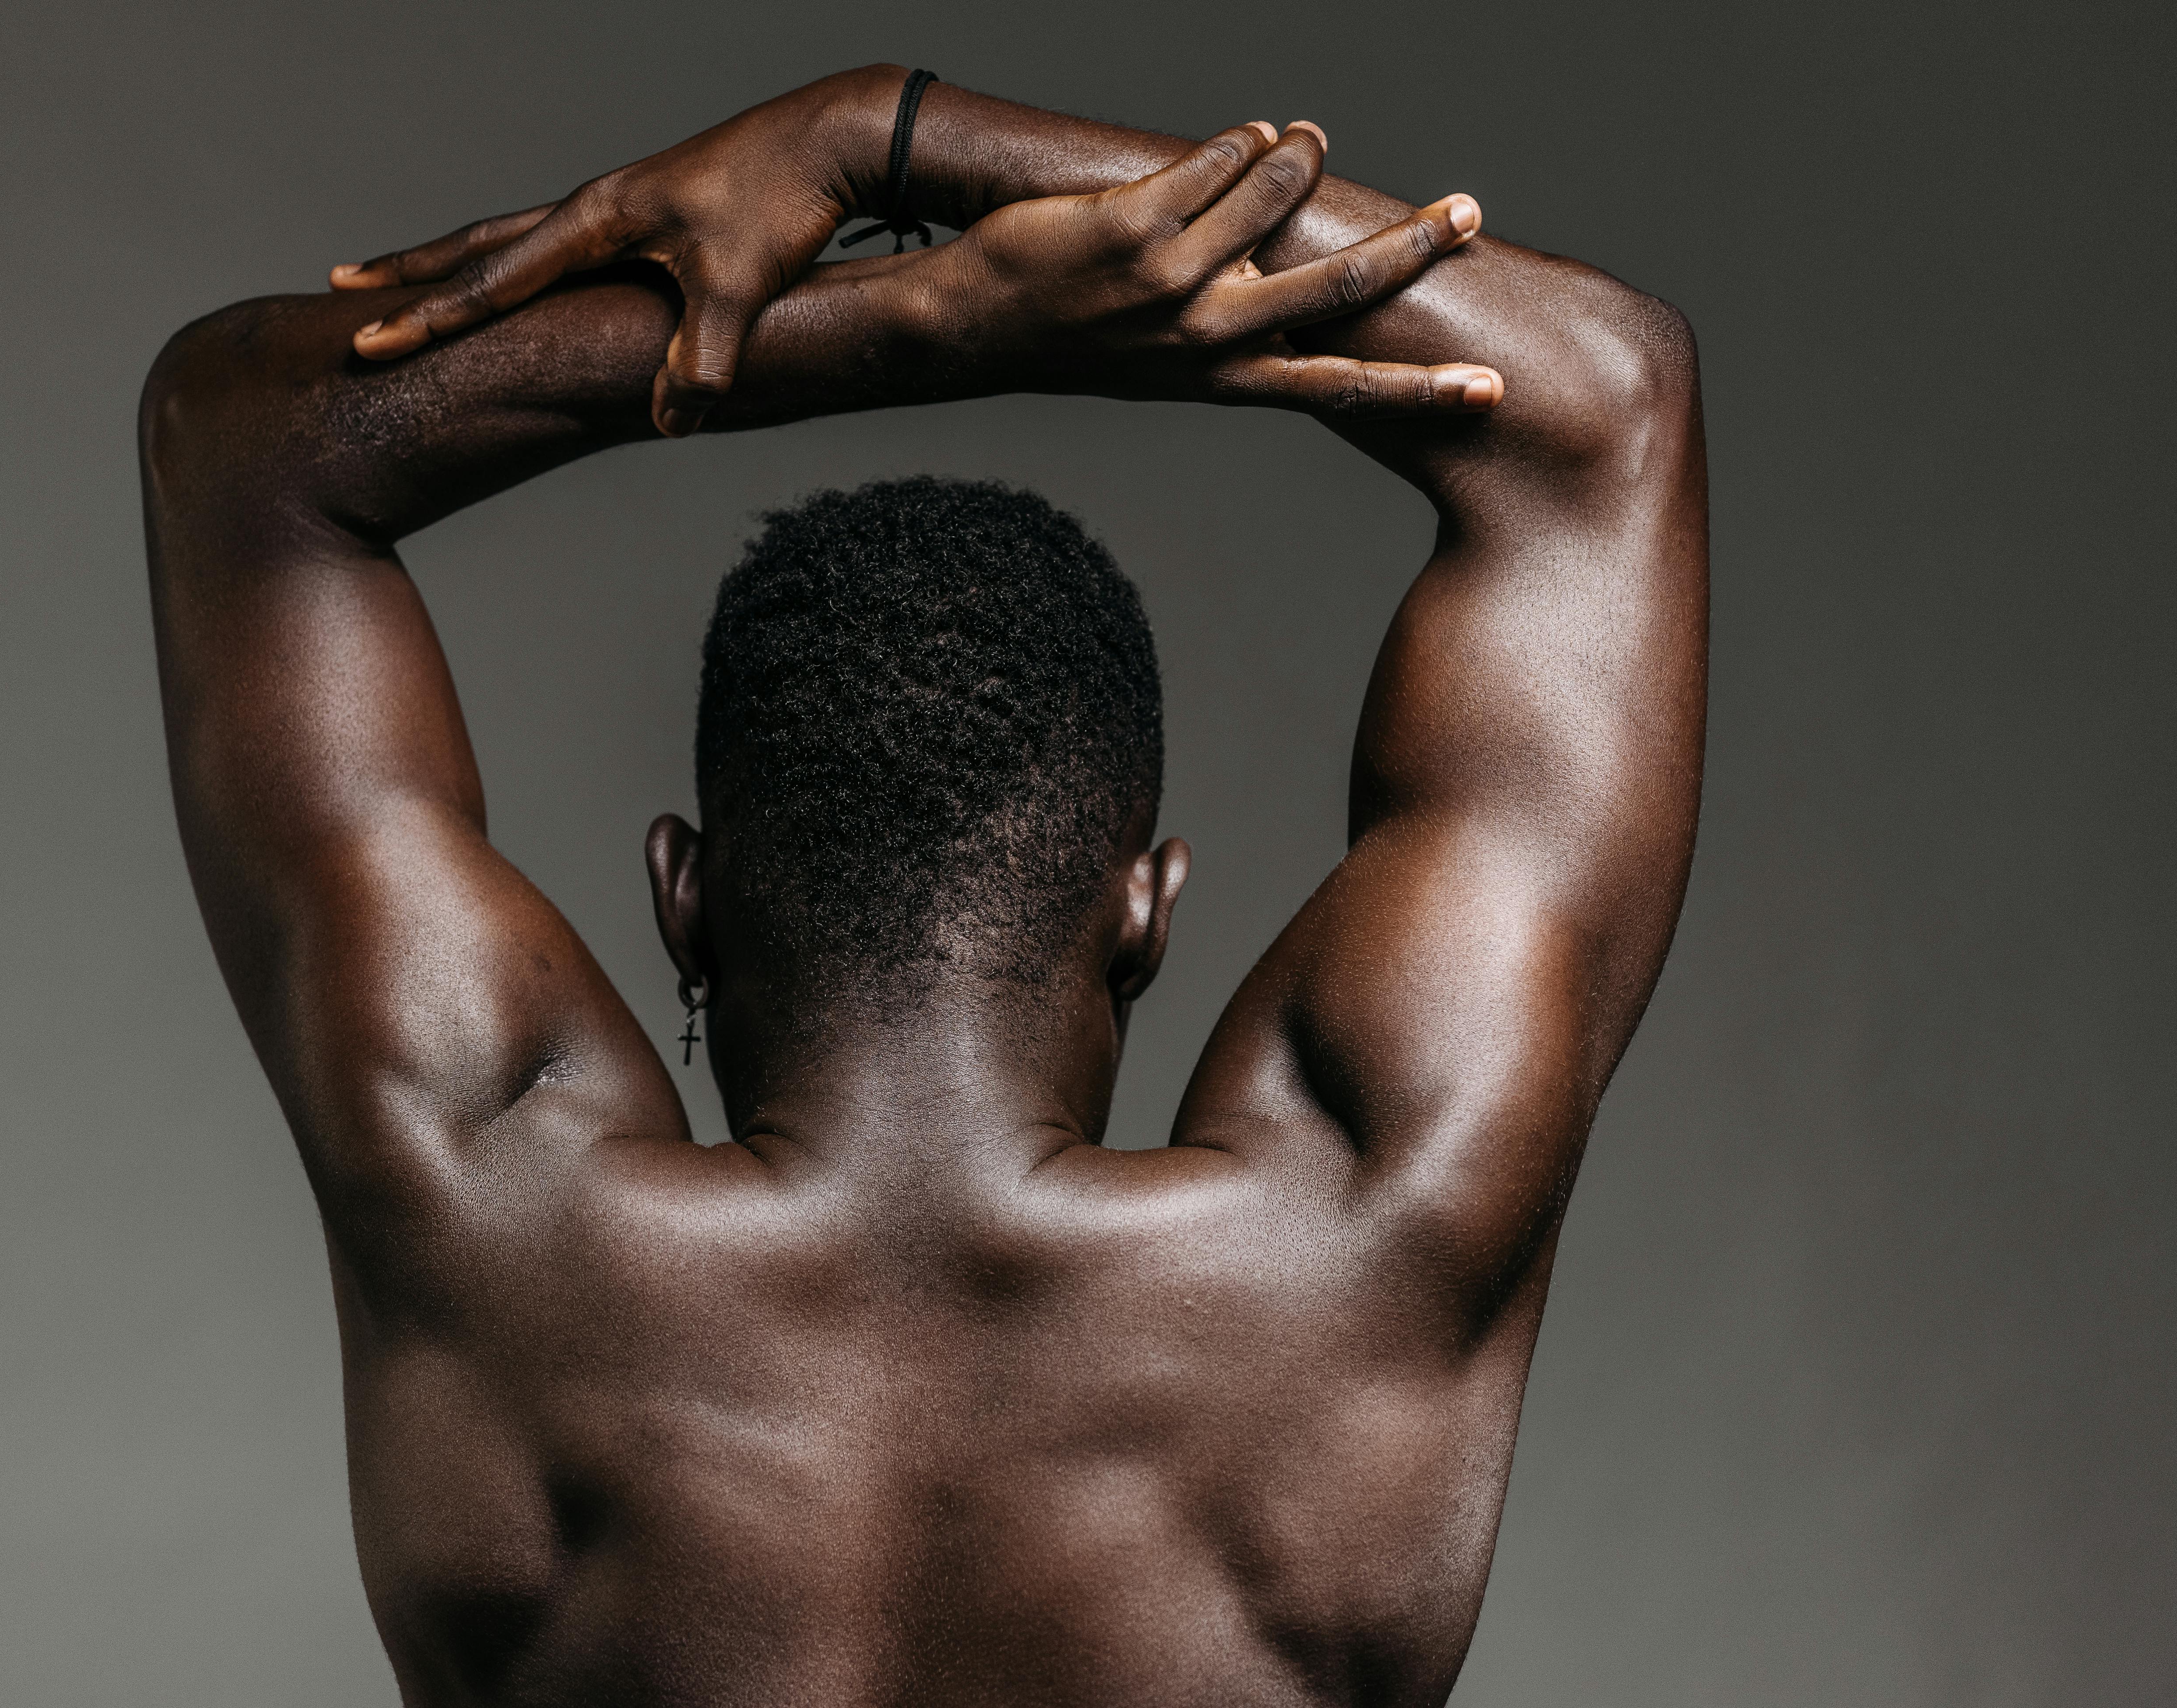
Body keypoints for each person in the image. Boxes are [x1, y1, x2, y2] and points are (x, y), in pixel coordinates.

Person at [140, 65, 1705, 1708]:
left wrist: (907, 326)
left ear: (682, 892)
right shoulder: (1371, 1227)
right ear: (1146, 910)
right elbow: (1606, 395)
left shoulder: (481, 1194)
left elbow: (234, 444)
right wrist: (894, 141)